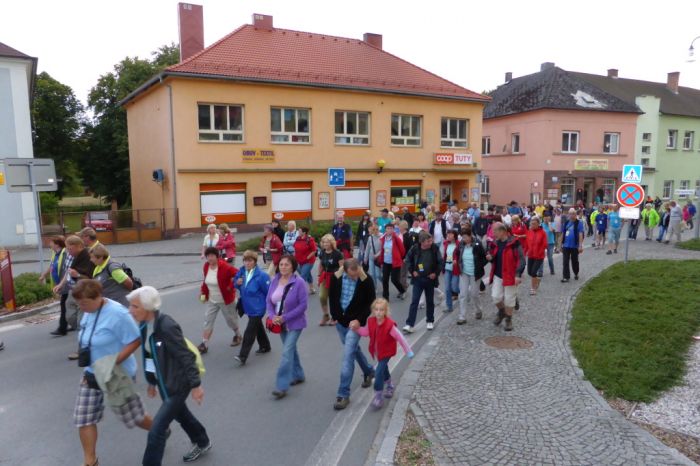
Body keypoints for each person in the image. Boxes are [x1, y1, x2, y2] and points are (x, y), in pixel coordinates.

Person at [71, 279, 152, 466]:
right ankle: (90, 461)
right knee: (84, 417)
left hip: (117, 374)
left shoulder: (118, 314)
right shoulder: (89, 312)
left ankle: (159, 430)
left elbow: (135, 340)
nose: (81, 307)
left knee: (134, 417)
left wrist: (113, 362)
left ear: (98, 297)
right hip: (92, 373)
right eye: (79, 303)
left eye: (84, 303)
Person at [127, 286, 211, 465]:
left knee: (157, 430)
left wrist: (196, 385)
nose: (130, 310)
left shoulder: (166, 326)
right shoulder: (144, 326)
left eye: (135, 306)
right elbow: (149, 354)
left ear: (149, 307)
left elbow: (185, 356)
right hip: (165, 382)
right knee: (182, 414)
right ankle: (202, 441)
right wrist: (151, 381)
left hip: (178, 384)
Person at [329, 258, 376, 410]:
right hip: (341, 322)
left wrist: (359, 320)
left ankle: (343, 394)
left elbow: (371, 302)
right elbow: (333, 299)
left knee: (348, 355)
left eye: (357, 274)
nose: (355, 277)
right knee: (354, 350)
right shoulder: (336, 278)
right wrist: (335, 317)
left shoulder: (366, 280)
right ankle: (369, 371)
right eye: (351, 275)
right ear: (345, 270)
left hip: (355, 324)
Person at [354, 298, 413, 410]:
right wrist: (356, 329)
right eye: (376, 310)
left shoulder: (389, 325)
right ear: (373, 310)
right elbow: (366, 332)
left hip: (387, 352)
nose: (378, 312)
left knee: (378, 372)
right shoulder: (371, 321)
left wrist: (408, 351)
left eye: (381, 310)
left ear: (385, 311)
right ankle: (390, 385)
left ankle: (378, 397)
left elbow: (400, 338)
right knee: (384, 369)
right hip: (378, 352)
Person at [266, 255, 309, 399]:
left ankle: (281, 386)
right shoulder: (275, 280)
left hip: (295, 323)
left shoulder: (299, 283)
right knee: (291, 350)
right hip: (279, 323)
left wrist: (284, 317)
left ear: (293, 267)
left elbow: (303, 306)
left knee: (286, 352)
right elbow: (269, 301)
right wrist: (273, 317)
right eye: (281, 264)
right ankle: (299, 374)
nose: (283, 267)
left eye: (286, 265)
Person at [53, 236, 95, 351]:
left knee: (82, 320)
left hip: (84, 290)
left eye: (70, 249)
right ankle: (86, 331)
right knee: (69, 314)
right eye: (67, 248)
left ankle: (84, 348)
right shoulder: (74, 256)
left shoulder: (86, 256)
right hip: (73, 289)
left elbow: (90, 277)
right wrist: (60, 285)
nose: (68, 251)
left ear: (79, 246)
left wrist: (77, 275)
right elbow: (68, 272)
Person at [197, 247, 241, 354]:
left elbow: (239, 274)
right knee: (208, 320)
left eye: (212, 256)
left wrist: (231, 287)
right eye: (208, 256)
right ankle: (204, 344)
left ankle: (238, 335)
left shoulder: (225, 267)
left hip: (225, 299)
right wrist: (203, 292)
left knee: (231, 320)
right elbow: (205, 281)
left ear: (217, 256)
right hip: (213, 300)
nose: (210, 258)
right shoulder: (206, 266)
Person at [233, 251, 271, 366]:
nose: (247, 263)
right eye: (245, 260)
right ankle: (265, 346)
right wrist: (237, 283)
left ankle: (243, 356)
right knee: (257, 326)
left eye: (250, 261)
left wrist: (271, 308)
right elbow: (235, 283)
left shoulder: (262, 276)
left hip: (258, 308)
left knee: (249, 331)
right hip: (247, 306)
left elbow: (268, 292)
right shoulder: (242, 272)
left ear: (255, 262)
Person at [486, 222, 525, 331]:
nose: (493, 234)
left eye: (495, 231)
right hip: (498, 275)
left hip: (511, 276)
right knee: (496, 297)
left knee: (509, 299)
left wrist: (518, 275)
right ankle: (502, 311)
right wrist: (490, 257)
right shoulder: (495, 243)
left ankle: (508, 319)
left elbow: (521, 260)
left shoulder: (514, 242)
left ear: (503, 231)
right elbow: (494, 256)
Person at [404, 231, 443, 333]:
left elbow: (440, 262)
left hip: (430, 279)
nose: (431, 242)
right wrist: (412, 271)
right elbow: (407, 260)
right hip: (418, 279)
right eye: (428, 241)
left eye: (431, 240)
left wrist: (435, 273)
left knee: (430, 301)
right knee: (414, 302)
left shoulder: (434, 248)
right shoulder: (415, 249)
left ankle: (430, 321)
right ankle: (409, 324)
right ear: (422, 241)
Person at [454, 228, 487, 325]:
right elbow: (456, 254)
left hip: (475, 273)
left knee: (474, 294)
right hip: (464, 272)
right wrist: (456, 261)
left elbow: (484, 258)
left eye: (465, 237)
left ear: (470, 235)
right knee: (463, 294)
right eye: (462, 237)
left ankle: (478, 310)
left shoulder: (477, 244)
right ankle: (462, 316)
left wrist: (479, 266)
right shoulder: (461, 245)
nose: (464, 239)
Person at [41, 236, 68, 335]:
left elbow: (67, 270)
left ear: (57, 244)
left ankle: (62, 328)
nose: (49, 244)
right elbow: (52, 266)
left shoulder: (65, 254)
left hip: (66, 285)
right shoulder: (55, 254)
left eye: (51, 242)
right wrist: (44, 275)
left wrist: (62, 284)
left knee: (64, 306)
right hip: (60, 285)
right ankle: (70, 325)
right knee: (68, 306)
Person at [317, 234, 345, 326]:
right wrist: (318, 275)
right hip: (325, 277)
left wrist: (337, 276)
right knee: (322, 296)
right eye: (324, 242)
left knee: (334, 299)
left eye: (327, 242)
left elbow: (342, 267)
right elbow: (321, 264)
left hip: (335, 278)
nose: (325, 244)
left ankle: (335, 317)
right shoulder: (322, 252)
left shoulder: (338, 254)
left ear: (332, 243)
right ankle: (326, 315)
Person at [376, 224, 406, 301]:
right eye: (387, 228)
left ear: (393, 230)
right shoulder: (383, 238)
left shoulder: (396, 238)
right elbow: (382, 249)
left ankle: (402, 290)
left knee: (394, 279)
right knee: (385, 279)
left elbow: (402, 250)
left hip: (395, 262)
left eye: (390, 228)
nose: (389, 230)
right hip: (386, 262)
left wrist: (399, 257)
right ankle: (386, 297)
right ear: (385, 229)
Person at [561, 208, 585, 283]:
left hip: (575, 246)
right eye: (570, 214)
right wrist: (560, 245)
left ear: (575, 214)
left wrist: (580, 246)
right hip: (566, 245)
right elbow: (563, 234)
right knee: (565, 262)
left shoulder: (579, 223)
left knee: (575, 261)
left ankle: (576, 273)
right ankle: (566, 277)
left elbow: (581, 234)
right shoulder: (566, 222)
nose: (571, 215)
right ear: (568, 214)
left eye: (573, 214)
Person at [525, 217, 547, 296]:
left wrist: (539, 253)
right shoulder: (529, 232)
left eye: (534, 224)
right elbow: (527, 244)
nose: (532, 225)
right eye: (531, 223)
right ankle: (537, 280)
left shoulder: (542, 233)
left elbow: (544, 245)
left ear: (538, 224)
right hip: (531, 255)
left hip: (539, 256)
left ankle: (533, 288)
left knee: (534, 272)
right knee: (529, 272)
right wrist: (525, 252)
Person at [294, 226, 317, 294]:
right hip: (298, 261)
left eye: (299, 231)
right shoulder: (298, 238)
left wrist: (307, 258)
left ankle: (298, 292)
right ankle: (311, 288)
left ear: (304, 232)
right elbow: (295, 247)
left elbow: (314, 251)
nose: (298, 232)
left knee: (303, 275)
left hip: (308, 261)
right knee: (306, 273)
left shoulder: (310, 240)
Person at [441, 230, 461, 313]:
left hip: (455, 268)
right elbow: (445, 255)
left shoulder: (459, 244)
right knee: (447, 289)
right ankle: (449, 306)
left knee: (454, 287)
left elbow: (461, 255)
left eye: (450, 234)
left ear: (454, 235)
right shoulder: (446, 243)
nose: (448, 235)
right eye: (447, 234)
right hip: (447, 268)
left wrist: (457, 261)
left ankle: (463, 292)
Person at [363, 224, 382, 291]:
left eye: (376, 229)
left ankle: (384, 282)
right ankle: (374, 287)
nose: (375, 231)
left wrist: (377, 254)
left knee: (378, 275)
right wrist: (365, 258)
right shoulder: (370, 237)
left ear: (378, 229)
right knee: (372, 274)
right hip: (371, 258)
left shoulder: (382, 236)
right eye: (373, 229)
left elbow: (383, 248)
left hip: (378, 259)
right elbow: (367, 248)